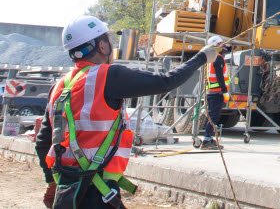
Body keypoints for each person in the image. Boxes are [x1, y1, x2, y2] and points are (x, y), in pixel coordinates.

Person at [36, 15, 219, 208]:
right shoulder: (108, 76)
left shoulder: (59, 87)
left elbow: (43, 141)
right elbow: (166, 81)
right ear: (102, 46)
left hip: (67, 190)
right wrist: (202, 58)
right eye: (109, 40)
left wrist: (52, 183)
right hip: (97, 192)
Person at [202, 35, 230, 149]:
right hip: (216, 92)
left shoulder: (210, 58)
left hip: (212, 92)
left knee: (213, 116)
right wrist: (224, 91)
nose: (223, 45)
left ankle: (209, 139)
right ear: (215, 45)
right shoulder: (218, 58)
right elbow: (219, 76)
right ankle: (206, 141)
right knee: (213, 117)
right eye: (220, 43)